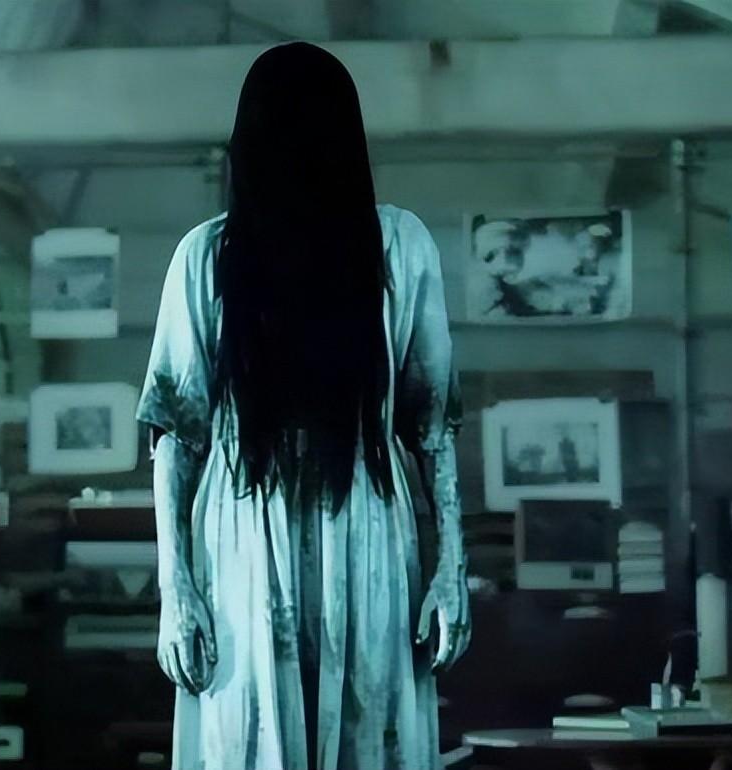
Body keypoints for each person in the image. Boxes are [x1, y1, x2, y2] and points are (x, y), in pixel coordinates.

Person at [136, 42, 470, 770]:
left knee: (368, 734)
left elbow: (431, 422)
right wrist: (175, 590)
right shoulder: (206, 257)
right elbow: (177, 435)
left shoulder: (399, 248)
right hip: (243, 542)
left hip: (366, 526)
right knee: (250, 741)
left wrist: (452, 570)